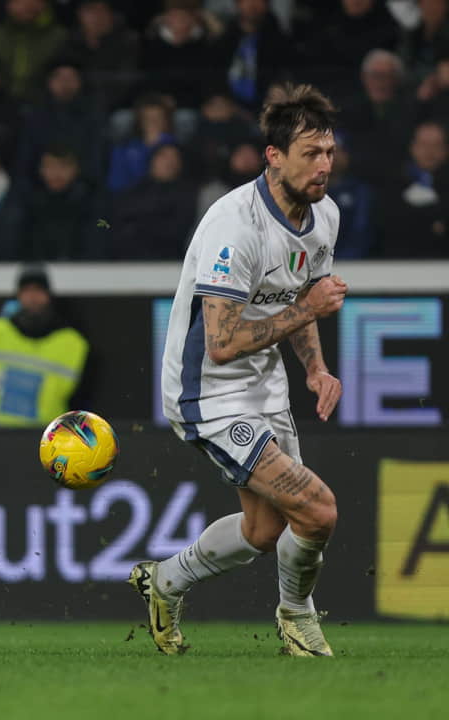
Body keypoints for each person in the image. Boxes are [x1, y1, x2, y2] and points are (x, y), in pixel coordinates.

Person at [136, 84, 347, 657]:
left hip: (267, 389)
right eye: (311, 152)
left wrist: (315, 369)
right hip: (209, 393)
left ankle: (164, 582)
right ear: (273, 156)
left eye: (329, 151)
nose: (324, 165)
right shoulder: (237, 226)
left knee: (264, 530)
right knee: (318, 509)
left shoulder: (324, 216)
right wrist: (309, 308)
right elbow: (224, 343)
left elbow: (300, 292)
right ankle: (296, 619)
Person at [0, 267, 89, 427]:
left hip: (48, 436)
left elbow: (81, 397)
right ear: (18, 295)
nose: (33, 297)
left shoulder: (73, 343)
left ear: (48, 295)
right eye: (27, 290)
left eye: (38, 290)